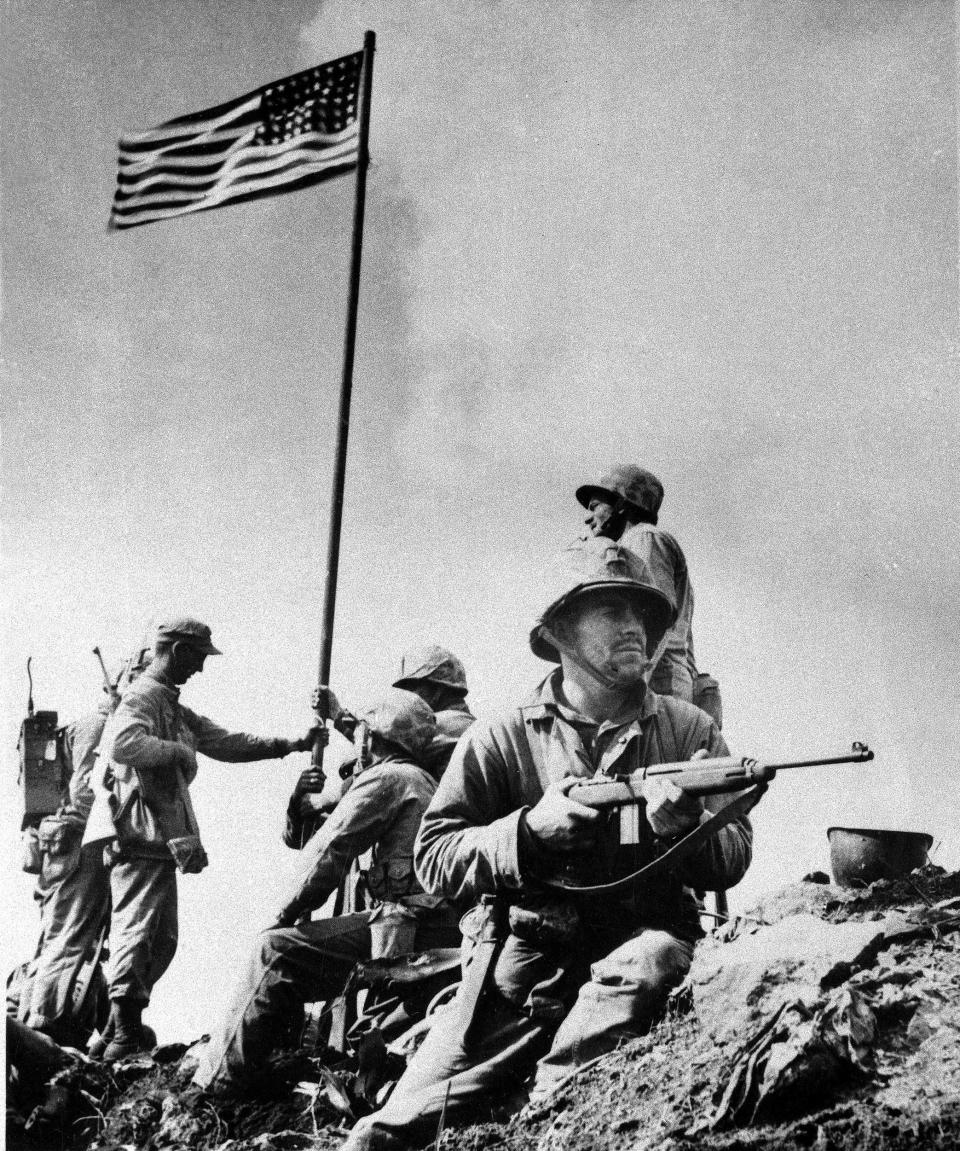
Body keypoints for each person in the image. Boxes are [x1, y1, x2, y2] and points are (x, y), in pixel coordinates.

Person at [343, 537, 755, 1149]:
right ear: (562, 629)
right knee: (380, 1137)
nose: (635, 628)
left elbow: (736, 857)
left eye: (642, 614)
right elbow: (434, 856)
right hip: (523, 971)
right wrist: (527, 836)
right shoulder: (502, 736)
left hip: (640, 950)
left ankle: (548, 1112)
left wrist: (688, 830)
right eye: (612, 611)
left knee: (641, 974)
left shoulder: (689, 729)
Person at [191, 689, 463, 1096]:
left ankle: (213, 1086)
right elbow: (312, 836)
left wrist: (283, 915)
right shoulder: (419, 779)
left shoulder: (389, 778)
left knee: (275, 952)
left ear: (370, 738)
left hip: (410, 929)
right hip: (427, 929)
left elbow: (328, 852)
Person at [82, 616, 315, 1060]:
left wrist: (291, 743)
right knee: (139, 930)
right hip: (139, 835)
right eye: (197, 657)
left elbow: (225, 741)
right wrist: (179, 752)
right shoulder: (145, 695)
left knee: (160, 938)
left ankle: (116, 1030)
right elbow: (124, 744)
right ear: (176, 651)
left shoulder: (169, 703)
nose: (201, 669)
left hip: (157, 840)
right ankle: (125, 1031)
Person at [15, 647, 151, 1048]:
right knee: (70, 939)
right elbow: (85, 794)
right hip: (76, 843)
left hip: (71, 845)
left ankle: (58, 1021)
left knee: (75, 938)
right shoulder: (99, 726)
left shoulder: (101, 725)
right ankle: (44, 1027)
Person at [283, 645, 475, 849]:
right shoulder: (433, 732)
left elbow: (392, 750)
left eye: (410, 690)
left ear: (436, 689)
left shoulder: (455, 726)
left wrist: (339, 716)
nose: (403, 699)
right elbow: (300, 841)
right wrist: (299, 804)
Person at [577, 464, 709, 712]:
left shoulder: (642, 537)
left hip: (657, 681)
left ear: (621, 504)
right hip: (659, 678)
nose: (587, 517)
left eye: (595, 507)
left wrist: (630, 697)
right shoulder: (638, 541)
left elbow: (651, 620)